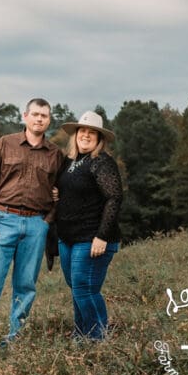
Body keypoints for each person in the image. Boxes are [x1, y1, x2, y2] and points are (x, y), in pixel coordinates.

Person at [0, 98, 64, 353]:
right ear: (25, 116)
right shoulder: (4, 144)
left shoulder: (55, 154)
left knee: (25, 286)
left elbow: (61, 191)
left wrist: (47, 222)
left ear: (49, 119)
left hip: (36, 224)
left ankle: (16, 339)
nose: (39, 119)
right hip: (2, 221)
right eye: (35, 114)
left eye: (44, 115)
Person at [55, 111, 123, 341]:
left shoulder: (101, 162)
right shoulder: (70, 162)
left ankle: (97, 337)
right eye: (82, 131)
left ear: (99, 138)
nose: (85, 135)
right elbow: (69, 191)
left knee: (85, 289)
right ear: (75, 135)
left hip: (92, 238)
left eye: (91, 132)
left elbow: (114, 198)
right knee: (76, 287)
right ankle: (80, 333)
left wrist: (102, 236)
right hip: (68, 238)